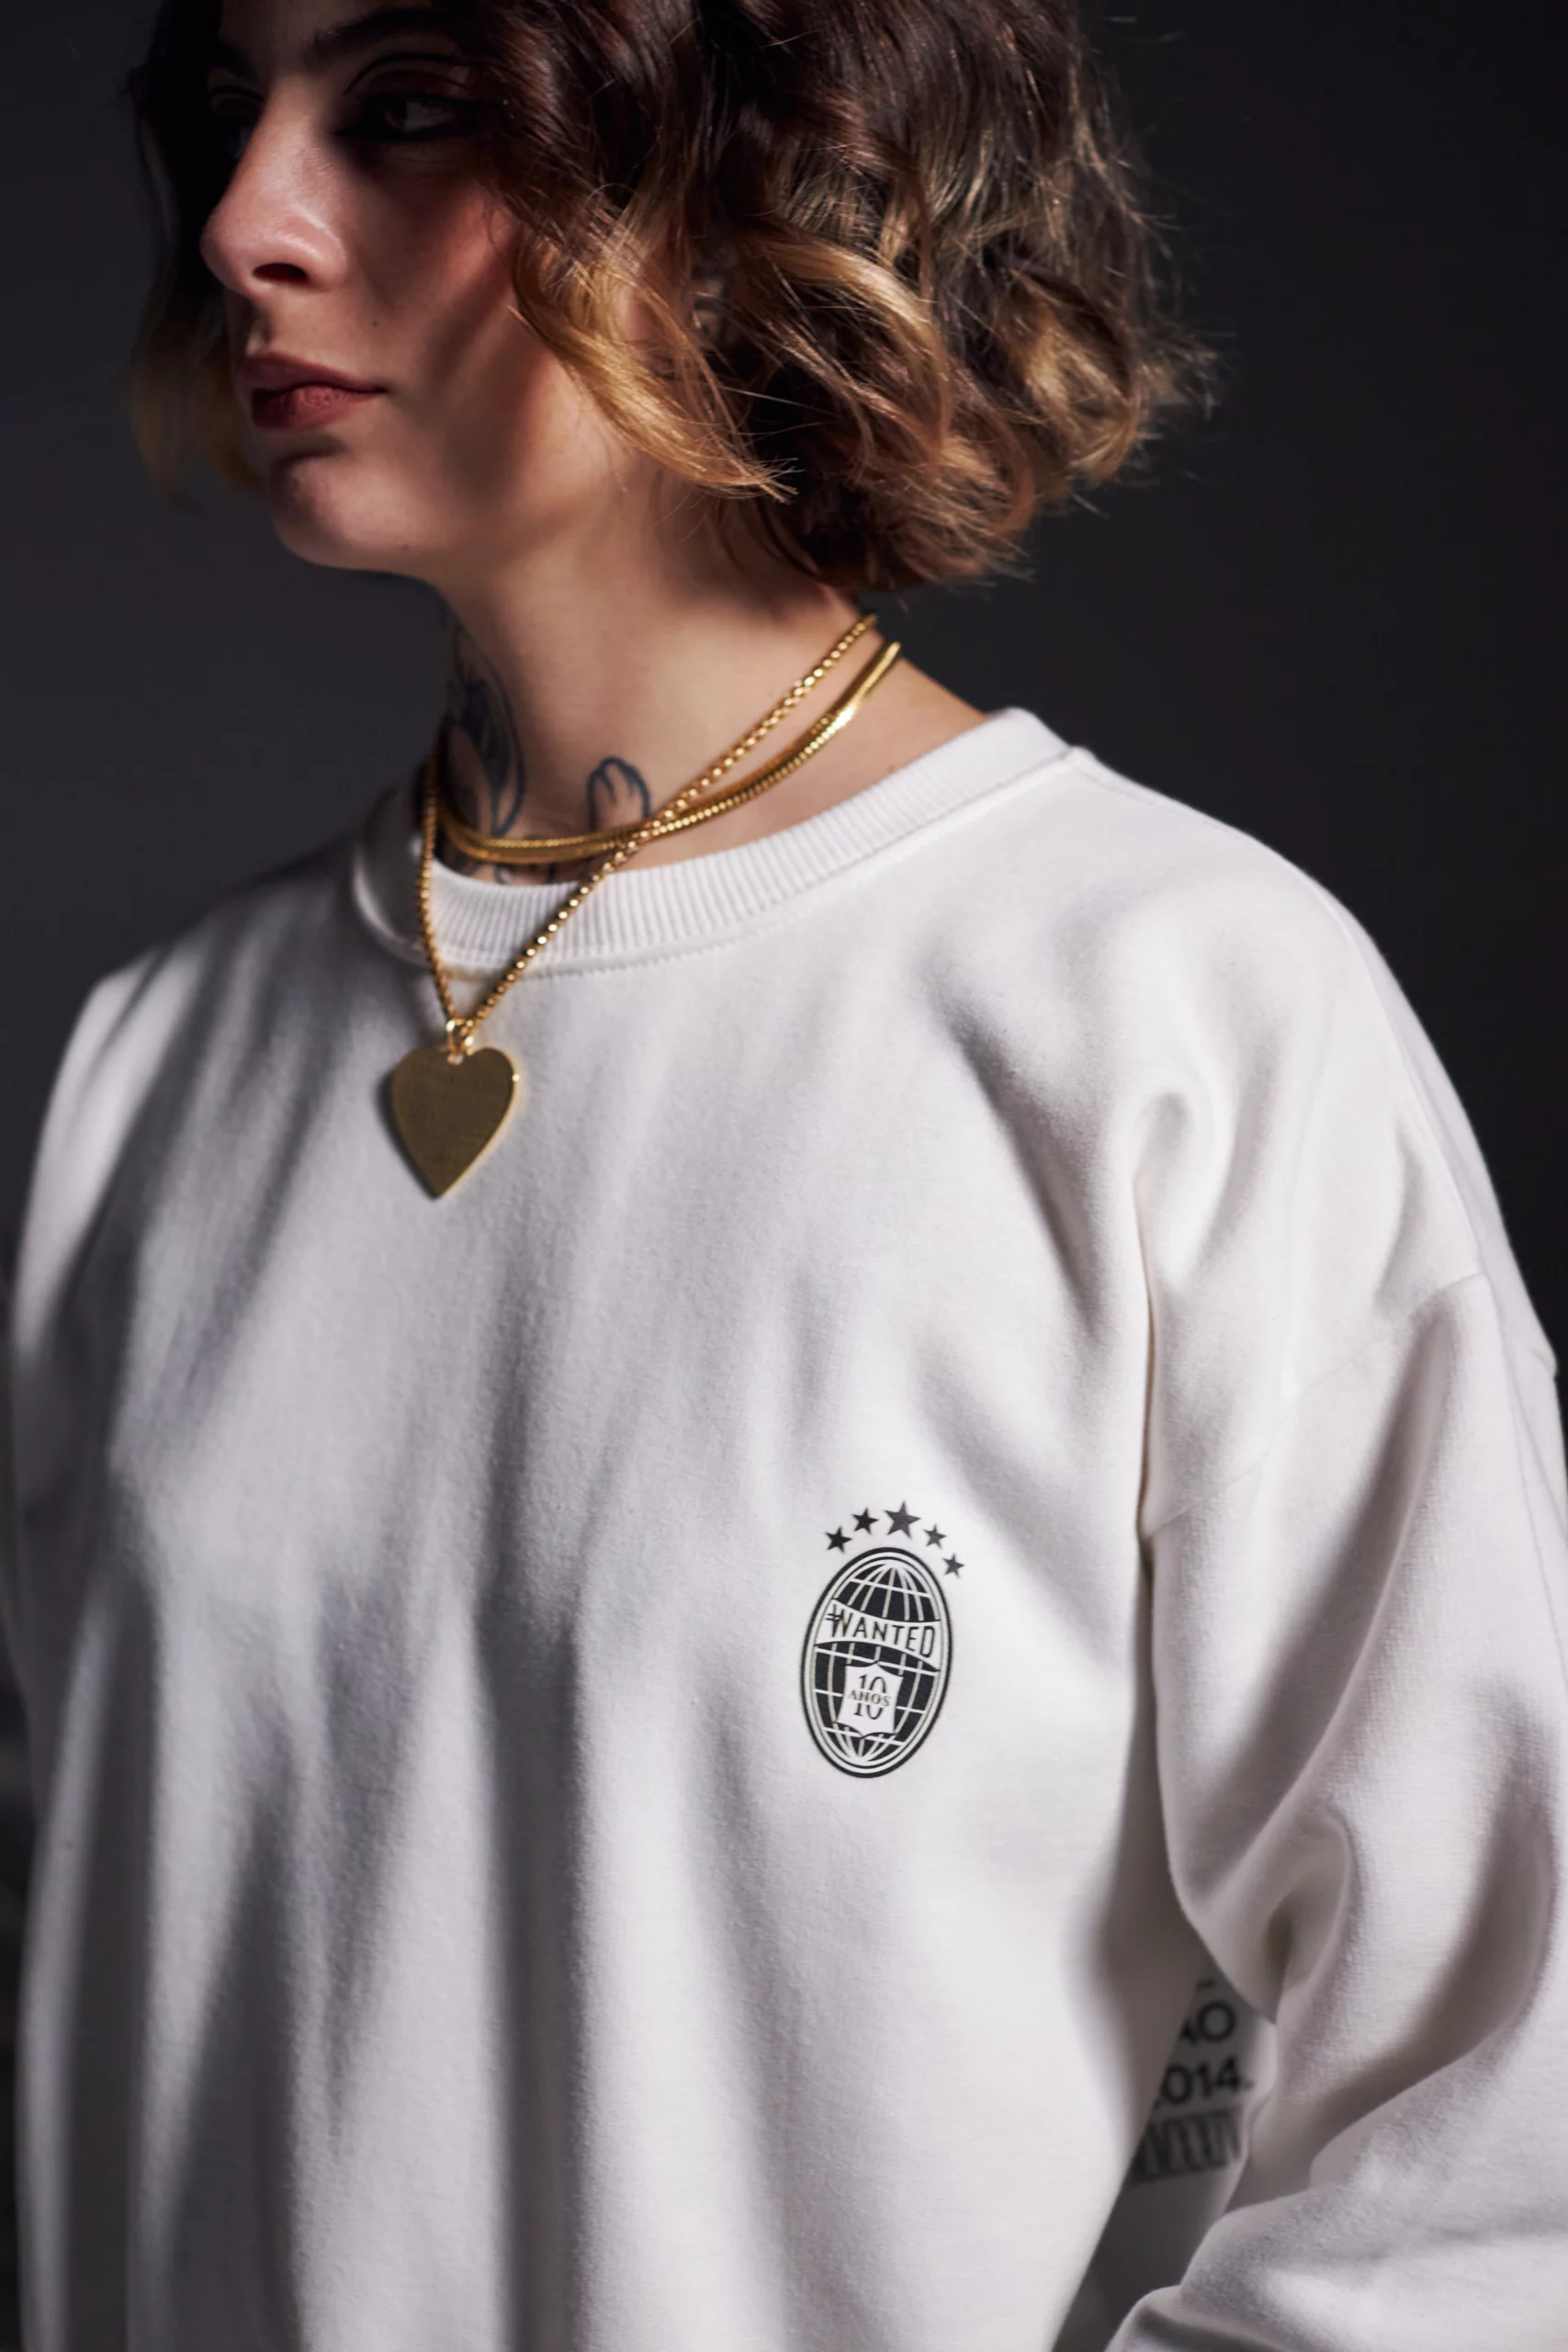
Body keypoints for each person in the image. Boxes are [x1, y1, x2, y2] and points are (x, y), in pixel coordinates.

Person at [3, 0, 1565, 2345]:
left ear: (755, 169)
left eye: (408, 108)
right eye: (233, 109)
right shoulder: (154, 1067)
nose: (242, 221)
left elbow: (1494, 2124)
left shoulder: (1176, 1021)